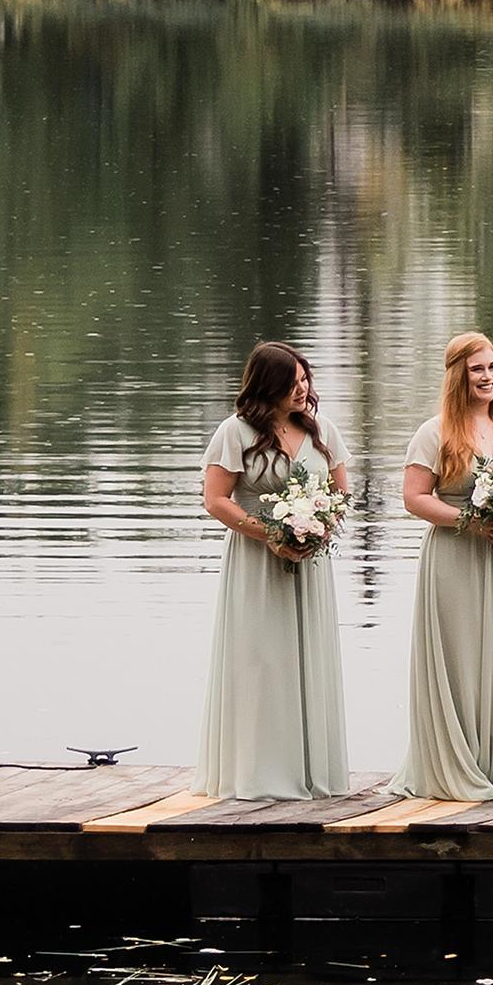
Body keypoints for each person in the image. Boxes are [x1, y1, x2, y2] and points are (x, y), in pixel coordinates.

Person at [196, 341, 353, 800]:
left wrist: (317, 530)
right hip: (255, 562)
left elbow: (341, 493)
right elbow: (215, 500)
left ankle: (310, 770)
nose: (302, 390)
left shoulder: (322, 430)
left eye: (305, 380)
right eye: (292, 383)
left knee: (309, 658)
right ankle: (257, 773)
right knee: (261, 660)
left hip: (311, 565)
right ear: (268, 386)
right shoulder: (236, 431)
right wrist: (271, 534)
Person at [399, 331, 493, 802]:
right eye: (477, 368)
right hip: (455, 555)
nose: (488, 376)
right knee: (460, 657)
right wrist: (471, 522)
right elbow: (414, 498)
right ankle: (454, 765)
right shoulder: (435, 431)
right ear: (458, 375)